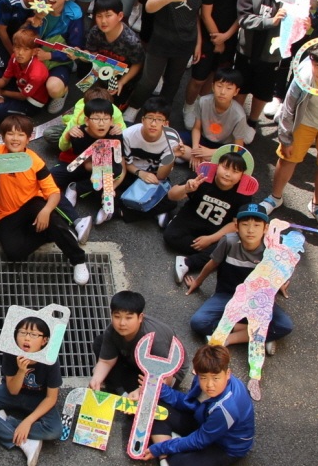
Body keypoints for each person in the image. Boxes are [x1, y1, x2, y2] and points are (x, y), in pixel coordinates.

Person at [184, 204, 293, 361]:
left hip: (258, 299)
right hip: (227, 295)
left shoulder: (271, 248)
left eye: (257, 225)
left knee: (284, 325)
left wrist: (280, 283)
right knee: (198, 322)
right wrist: (198, 282)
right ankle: (261, 334)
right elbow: (212, 263)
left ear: (265, 228)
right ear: (236, 226)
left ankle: (228, 338)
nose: (250, 230)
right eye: (245, 224)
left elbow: (278, 270)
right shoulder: (228, 241)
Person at [0, 114, 89, 284]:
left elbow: (54, 192)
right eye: (10, 134)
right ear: (3, 137)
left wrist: (46, 211)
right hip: (5, 214)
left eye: (21, 134)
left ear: (28, 139)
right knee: (14, 253)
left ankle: (78, 259)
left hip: (31, 205)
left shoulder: (35, 162)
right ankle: (54, 233)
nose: (15, 138)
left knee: (47, 214)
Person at [141, 345, 254, 466]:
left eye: (216, 378)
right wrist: (160, 390)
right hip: (204, 422)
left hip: (225, 446)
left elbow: (199, 440)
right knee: (158, 409)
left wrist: (160, 448)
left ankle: (171, 450)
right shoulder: (202, 382)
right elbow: (189, 404)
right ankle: (168, 463)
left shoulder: (227, 408)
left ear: (228, 374)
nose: (209, 385)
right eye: (203, 377)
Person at [126, 0, 210, 119]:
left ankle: (161, 115)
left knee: (173, 82)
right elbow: (149, 7)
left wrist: (198, 43)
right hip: (160, 41)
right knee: (149, 81)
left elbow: (196, 16)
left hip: (185, 43)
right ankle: (134, 107)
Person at [0, 314, 62, 466]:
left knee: (54, 431)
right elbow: (13, 390)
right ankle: (26, 443)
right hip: (11, 392)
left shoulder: (50, 359)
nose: (27, 338)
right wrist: (21, 371)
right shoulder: (11, 352)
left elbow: (51, 398)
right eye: (22, 332)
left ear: (44, 341)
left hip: (38, 397)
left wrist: (27, 422)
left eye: (34, 334)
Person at [181, 0, 253, 129]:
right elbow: (205, 14)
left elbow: (242, 15)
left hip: (229, 38)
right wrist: (217, 39)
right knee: (198, 78)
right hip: (208, 37)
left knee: (214, 77)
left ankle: (201, 106)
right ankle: (188, 106)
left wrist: (226, 37)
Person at [165, 145, 252, 281]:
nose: (228, 174)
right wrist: (186, 189)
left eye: (235, 171)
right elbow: (171, 195)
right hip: (192, 218)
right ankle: (206, 254)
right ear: (216, 165)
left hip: (217, 229)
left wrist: (211, 239)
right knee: (170, 236)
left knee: (230, 245)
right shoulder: (203, 176)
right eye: (225, 167)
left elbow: (236, 224)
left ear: (242, 175)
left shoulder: (243, 193)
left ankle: (188, 263)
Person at [260, 45, 318, 221]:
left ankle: (317, 204)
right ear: (311, 61)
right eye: (317, 65)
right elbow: (288, 108)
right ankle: (275, 198)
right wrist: (285, 139)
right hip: (305, 121)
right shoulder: (304, 76)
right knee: (288, 158)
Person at [53, 96, 126, 238]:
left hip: (104, 170)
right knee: (48, 181)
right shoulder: (78, 134)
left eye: (105, 119)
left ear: (112, 120)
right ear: (87, 120)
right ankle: (76, 219)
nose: (101, 123)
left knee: (115, 172)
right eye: (96, 119)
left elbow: (120, 164)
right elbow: (84, 163)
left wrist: (111, 187)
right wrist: (68, 134)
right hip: (83, 165)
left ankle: (78, 188)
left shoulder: (115, 134)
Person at [234, 0, 289, 129]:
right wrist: (271, 21)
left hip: (271, 52)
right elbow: (244, 18)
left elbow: (296, 19)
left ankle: (252, 121)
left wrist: (304, 22)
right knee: (241, 85)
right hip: (247, 47)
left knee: (263, 91)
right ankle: (236, 120)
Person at [89, 290, 183, 396]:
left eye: (128, 318)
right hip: (134, 359)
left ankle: (123, 390)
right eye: (117, 317)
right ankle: (121, 390)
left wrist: (140, 391)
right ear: (112, 315)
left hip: (163, 373)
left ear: (140, 317)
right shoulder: (112, 330)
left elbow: (166, 378)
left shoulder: (156, 340)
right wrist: (96, 379)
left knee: (134, 385)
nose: (122, 323)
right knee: (100, 342)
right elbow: (106, 362)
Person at [27, 0, 84, 112]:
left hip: (59, 60)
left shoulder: (73, 16)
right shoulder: (37, 6)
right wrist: (35, 21)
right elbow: (24, 36)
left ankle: (63, 92)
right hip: (35, 55)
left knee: (54, 89)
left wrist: (49, 55)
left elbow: (75, 49)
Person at [118, 97, 179, 222]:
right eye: (150, 118)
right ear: (143, 120)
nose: (153, 124)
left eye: (159, 119)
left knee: (172, 201)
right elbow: (125, 163)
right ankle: (155, 211)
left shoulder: (172, 139)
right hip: (132, 172)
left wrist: (173, 155)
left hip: (155, 177)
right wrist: (140, 173)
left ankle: (121, 213)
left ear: (166, 123)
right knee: (110, 188)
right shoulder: (129, 135)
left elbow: (162, 175)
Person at [176, 68, 248, 165]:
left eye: (229, 88)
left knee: (234, 159)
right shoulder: (203, 101)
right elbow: (196, 128)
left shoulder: (239, 115)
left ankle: (192, 159)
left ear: (236, 91)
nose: (222, 92)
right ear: (213, 86)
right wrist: (195, 150)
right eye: (219, 86)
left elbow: (238, 148)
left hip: (223, 146)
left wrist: (211, 152)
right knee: (173, 141)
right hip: (203, 138)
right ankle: (206, 163)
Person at [83, 0, 145, 100]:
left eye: (108, 15)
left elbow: (137, 64)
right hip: (101, 71)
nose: (103, 21)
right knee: (93, 99)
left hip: (124, 77)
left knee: (117, 103)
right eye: (99, 16)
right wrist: (81, 55)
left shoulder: (131, 41)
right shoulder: (95, 32)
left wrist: (122, 82)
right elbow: (92, 54)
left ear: (120, 16)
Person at [0, 28, 49, 118]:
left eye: (26, 49)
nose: (20, 53)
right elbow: (5, 79)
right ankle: (0, 99)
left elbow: (23, 96)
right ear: (13, 47)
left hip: (32, 102)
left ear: (34, 51)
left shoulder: (36, 74)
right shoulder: (14, 57)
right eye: (18, 47)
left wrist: (1, 92)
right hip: (19, 87)